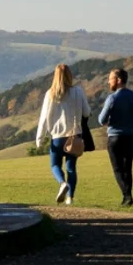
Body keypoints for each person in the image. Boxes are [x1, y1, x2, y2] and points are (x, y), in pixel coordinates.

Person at [33, 63, 91, 205]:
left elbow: (44, 118)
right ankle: (70, 198)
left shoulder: (50, 94)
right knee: (71, 168)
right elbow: (87, 112)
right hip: (74, 136)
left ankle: (62, 182)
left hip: (57, 137)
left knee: (55, 165)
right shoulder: (78, 91)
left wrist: (39, 138)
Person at [94, 67, 133, 207]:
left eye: (110, 78)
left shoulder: (112, 98)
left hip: (114, 138)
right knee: (127, 168)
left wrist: (110, 120)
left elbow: (101, 120)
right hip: (130, 138)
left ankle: (127, 196)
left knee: (118, 169)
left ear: (118, 80)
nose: (108, 82)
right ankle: (127, 197)